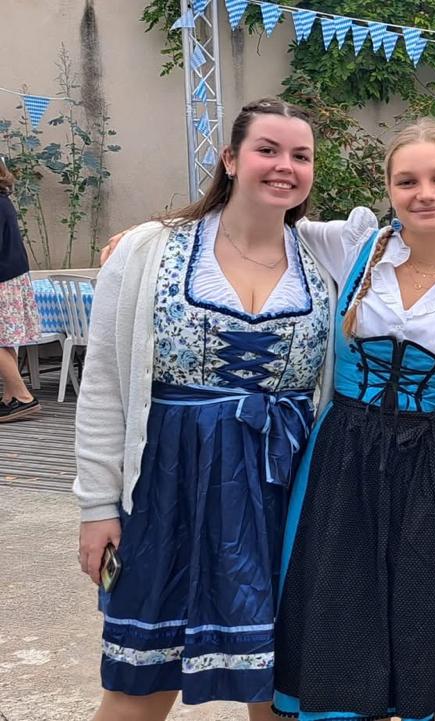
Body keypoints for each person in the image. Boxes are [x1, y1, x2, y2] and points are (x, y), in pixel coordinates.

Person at [73, 98, 333, 721]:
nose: (285, 166)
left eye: (300, 156)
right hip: (169, 487)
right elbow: (104, 384)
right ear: (230, 159)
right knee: (140, 681)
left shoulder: (327, 259)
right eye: (267, 150)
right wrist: (97, 506)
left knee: (284, 685)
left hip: (284, 489)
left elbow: (416, 260)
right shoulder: (147, 250)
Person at [273, 119, 435, 720]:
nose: (424, 193)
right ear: (389, 189)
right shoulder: (354, 245)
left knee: (423, 616)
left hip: (434, 462)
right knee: (338, 608)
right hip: (342, 456)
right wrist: (150, 237)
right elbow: (257, 217)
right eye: (407, 181)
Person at [0, 157, 42, 421]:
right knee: (5, 339)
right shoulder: (4, 199)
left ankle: (24, 397)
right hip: (12, 277)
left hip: (3, 279)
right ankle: (11, 397)